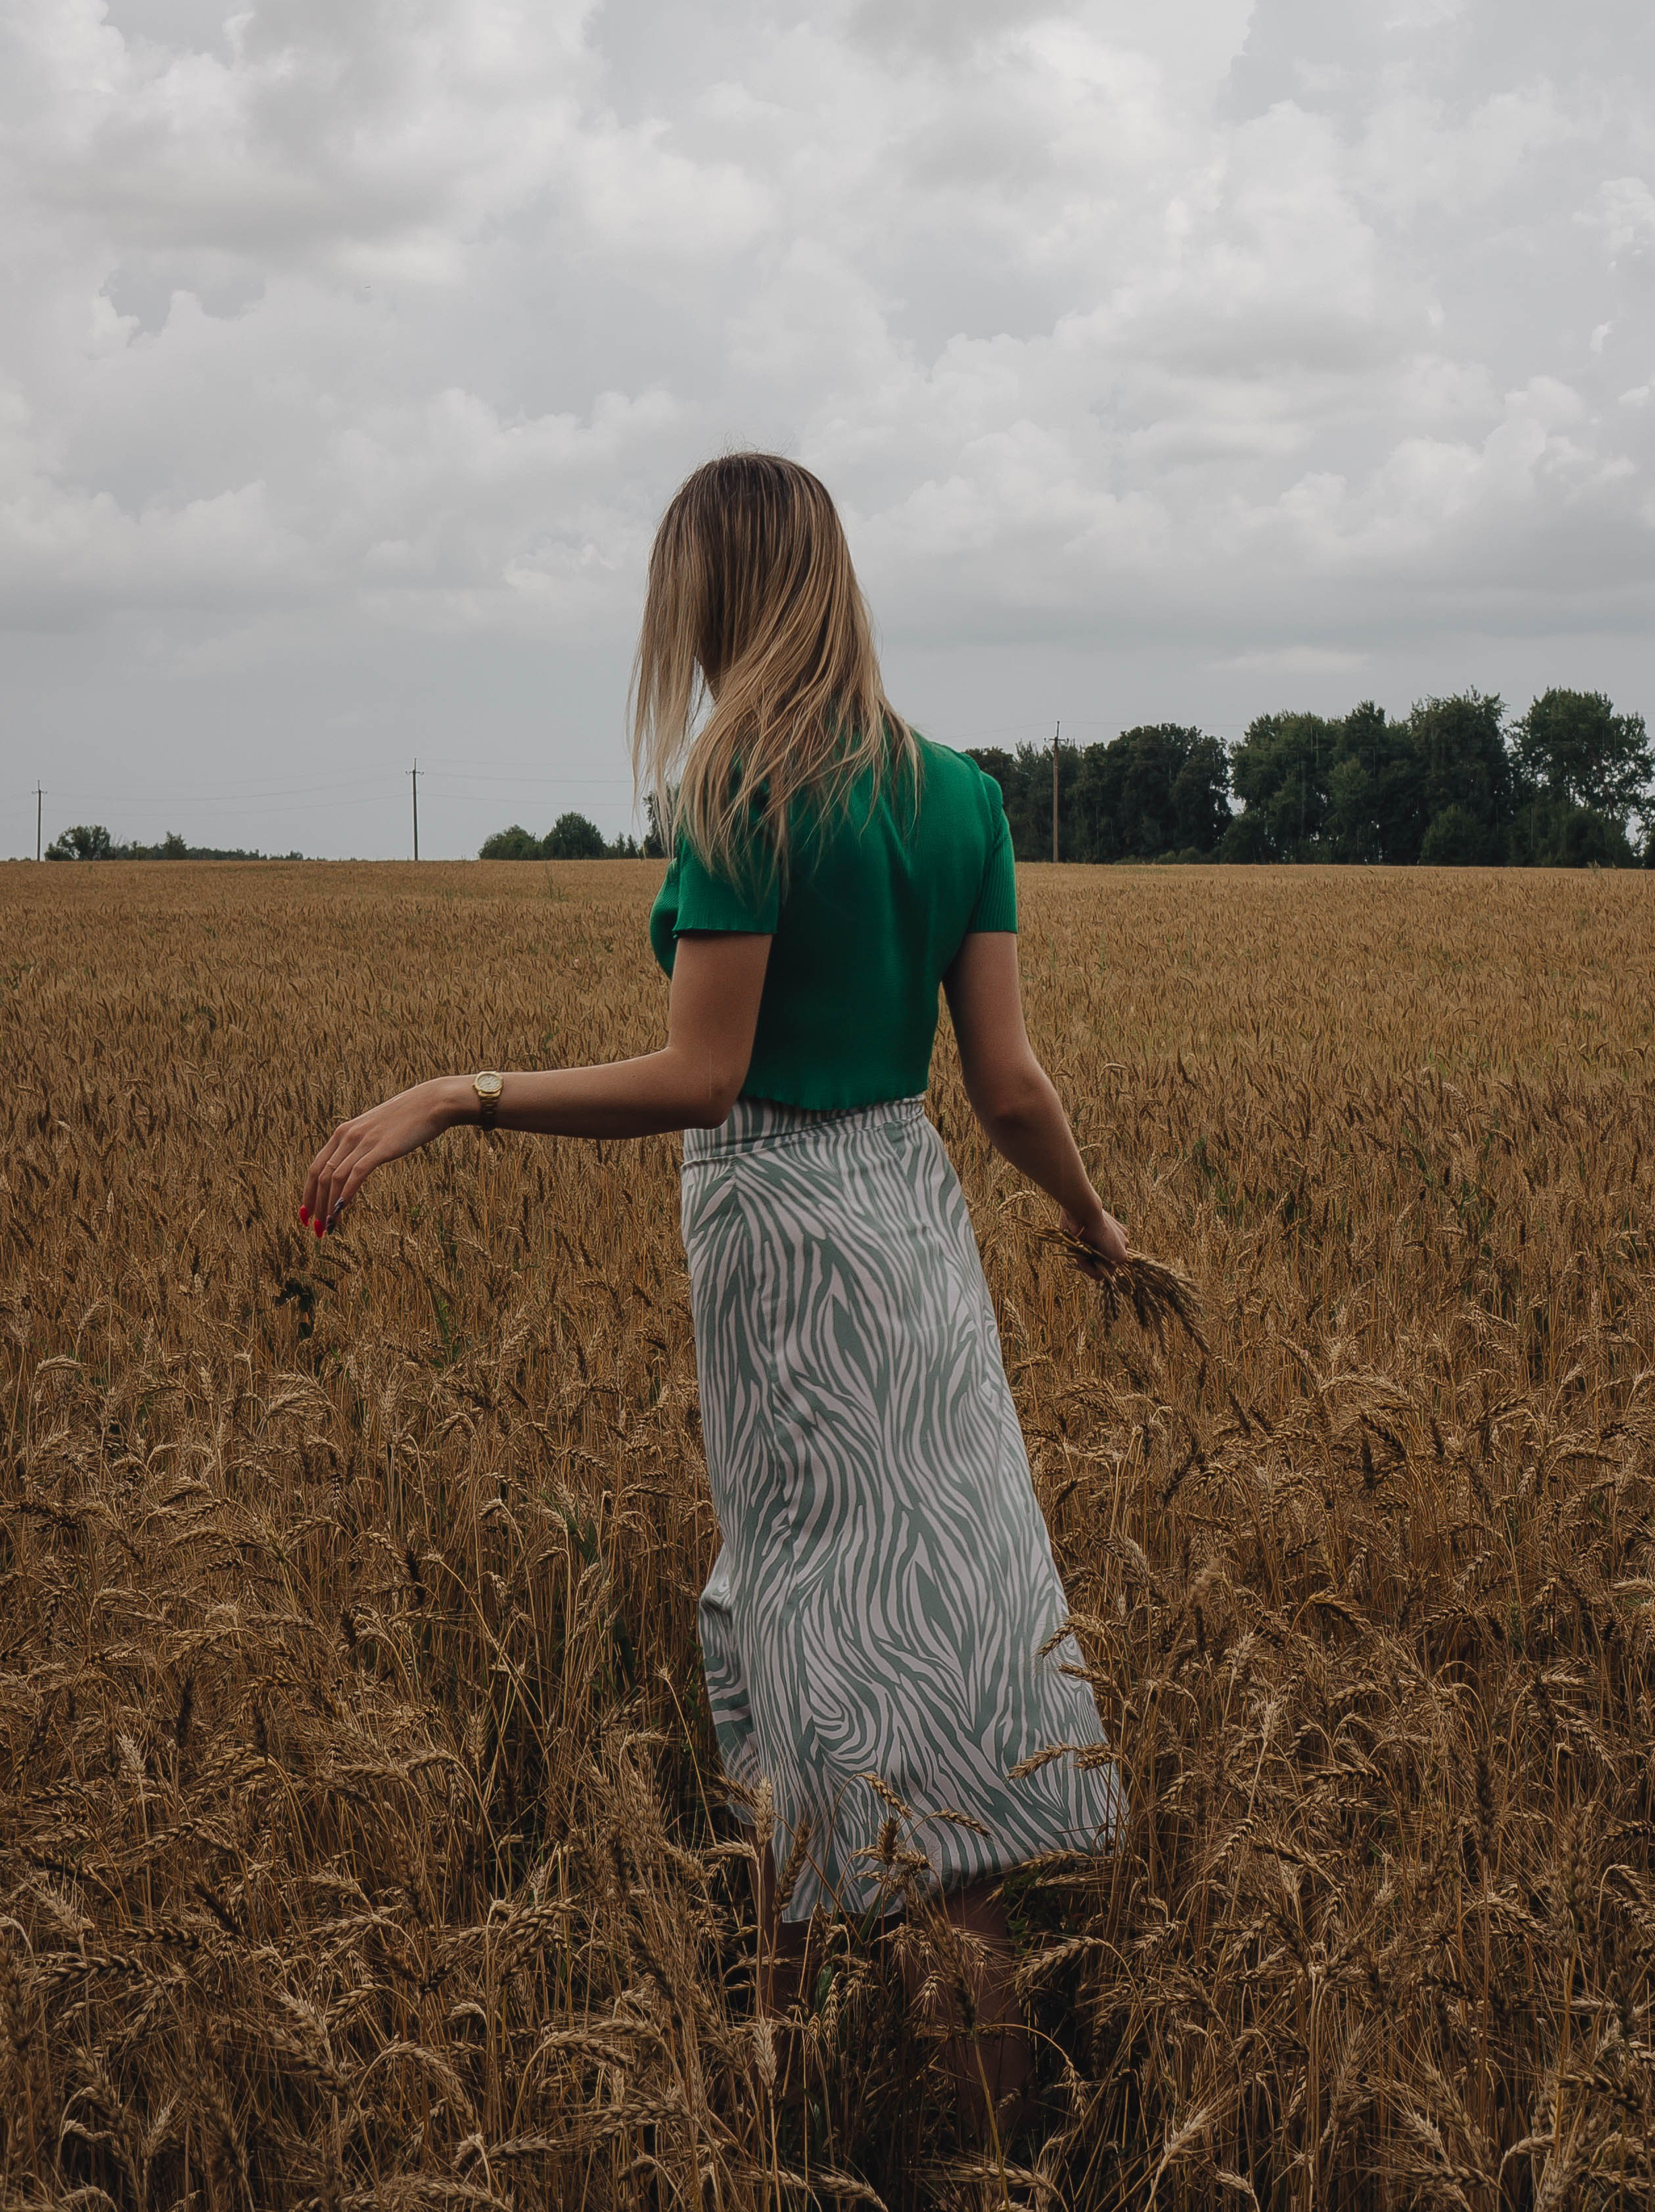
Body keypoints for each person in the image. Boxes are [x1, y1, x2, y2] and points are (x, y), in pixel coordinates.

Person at [300, 452, 1128, 2145]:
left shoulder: (737, 783)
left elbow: (702, 1075)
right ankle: (924, 2127)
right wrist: (1097, 1226)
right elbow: (1010, 1085)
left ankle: (794, 2107)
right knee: (925, 1596)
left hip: (784, 1233)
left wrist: (466, 1094)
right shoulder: (959, 796)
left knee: (814, 1623)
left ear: (713, 593)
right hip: (912, 1219)